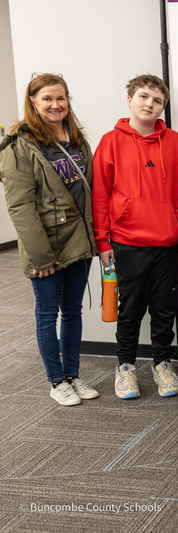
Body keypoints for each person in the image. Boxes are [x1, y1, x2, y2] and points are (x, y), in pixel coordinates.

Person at [0, 73, 98, 406]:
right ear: (33, 103)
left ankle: (73, 375)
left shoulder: (77, 138)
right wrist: (40, 256)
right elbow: (20, 206)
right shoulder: (20, 146)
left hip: (79, 241)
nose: (55, 105)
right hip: (46, 246)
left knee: (73, 312)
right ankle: (56, 382)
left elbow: (89, 191)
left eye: (60, 98)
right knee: (47, 314)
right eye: (46, 99)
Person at [92, 74, 178, 399]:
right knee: (130, 308)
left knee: (164, 308)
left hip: (165, 242)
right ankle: (126, 368)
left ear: (163, 107)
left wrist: (175, 225)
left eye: (157, 100)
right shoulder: (111, 141)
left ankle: (162, 364)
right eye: (144, 97)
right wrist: (103, 241)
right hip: (126, 241)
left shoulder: (175, 142)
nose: (150, 104)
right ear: (130, 100)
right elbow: (101, 195)